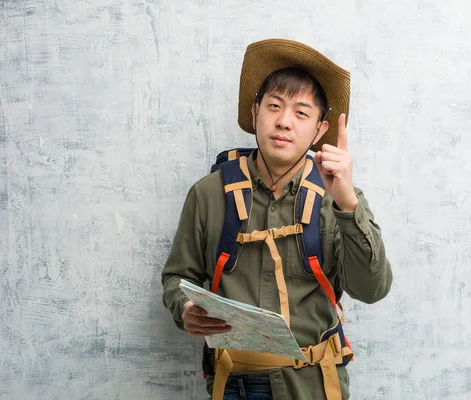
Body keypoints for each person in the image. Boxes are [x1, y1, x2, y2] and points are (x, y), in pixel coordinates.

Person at [161, 38, 393, 400]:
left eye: (301, 113)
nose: (284, 121)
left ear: (319, 130)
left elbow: (372, 290)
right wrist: (185, 308)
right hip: (231, 384)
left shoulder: (339, 197)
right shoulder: (208, 193)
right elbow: (178, 277)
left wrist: (348, 204)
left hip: (314, 386)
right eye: (274, 106)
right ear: (255, 113)